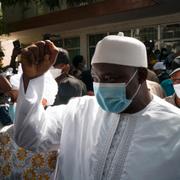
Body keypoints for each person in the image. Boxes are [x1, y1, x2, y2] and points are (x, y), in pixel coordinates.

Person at [14, 37, 180, 180]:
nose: (102, 85)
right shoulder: (79, 111)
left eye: (110, 77)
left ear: (141, 75)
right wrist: (32, 80)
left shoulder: (174, 127)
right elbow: (29, 137)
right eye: (96, 78)